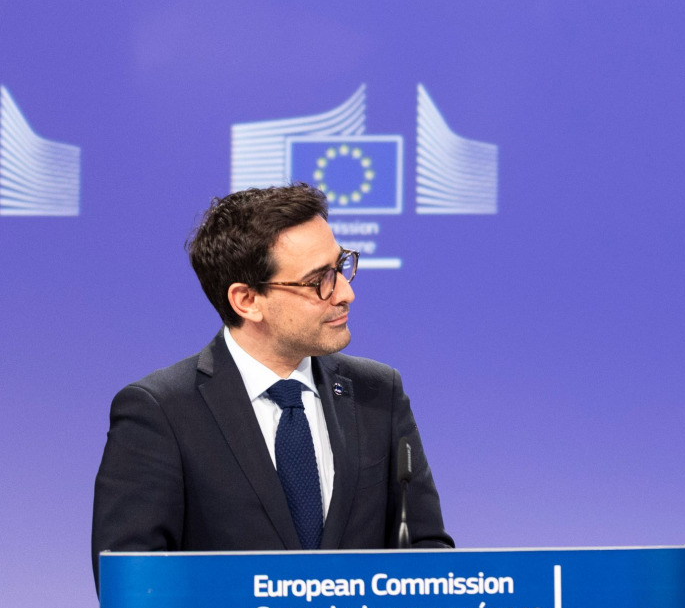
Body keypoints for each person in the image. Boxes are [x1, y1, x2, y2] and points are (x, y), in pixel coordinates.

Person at [92, 184, 449, 580]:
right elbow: (133, 586)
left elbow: (426, 551)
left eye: (341, 266)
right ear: (247, 301)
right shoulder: (161, 413)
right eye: (320, 280)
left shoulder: (378, 392)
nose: (345, 293)